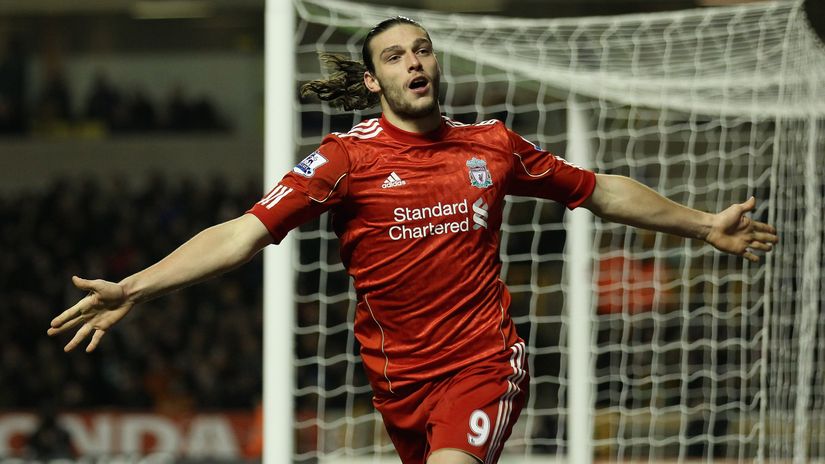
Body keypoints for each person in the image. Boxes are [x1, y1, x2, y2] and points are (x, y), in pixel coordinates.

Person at [47, 16, 778, 464]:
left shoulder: (491, 145)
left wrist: (700, 223)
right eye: (395, 56)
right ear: (372, 80)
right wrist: (134, 285)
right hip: (397, 382)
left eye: (422, 50)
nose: (415, 62)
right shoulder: (343, 160)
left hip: (483, 360)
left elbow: (598, 188)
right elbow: (242, 233)